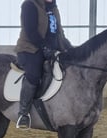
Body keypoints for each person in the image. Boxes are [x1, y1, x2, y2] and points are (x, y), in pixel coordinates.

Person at [15, 0, 72, 129]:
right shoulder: (29, 5)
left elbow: (59, 32)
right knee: (34, 74)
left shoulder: (53, 8)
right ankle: (23, 113)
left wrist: (69, 48)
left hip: (52, 49)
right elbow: (31, 31)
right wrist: (45, 48)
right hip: (30, 48)